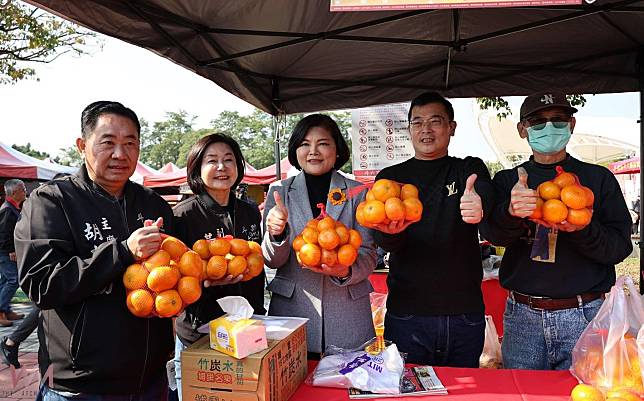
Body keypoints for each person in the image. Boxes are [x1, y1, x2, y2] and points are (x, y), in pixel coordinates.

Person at [15, 101, 175, 399]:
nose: (120, 154)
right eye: (108, 142)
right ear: (81, 145)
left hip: (149, 378)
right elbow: (42, 284)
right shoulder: (52, 201)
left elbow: (175, 272)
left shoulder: (152, 203)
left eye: (130, 143)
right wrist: (123, 251)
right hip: (81, 385)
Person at [479, 92, 633, 370]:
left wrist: (584, 228)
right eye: (538, 121)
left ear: (572, 125)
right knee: (523, 392)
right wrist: (511, 212)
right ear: (522, 129)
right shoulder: (507, 181)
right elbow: (494, 235)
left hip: (585, 314)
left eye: (558, 120)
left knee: (584, 393)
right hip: (522, 315)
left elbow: (620, 248)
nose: (549, 127)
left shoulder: (597, 180)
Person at [372, 92, 494, 367]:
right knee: (407, 391)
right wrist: (391, 231)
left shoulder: (468, 169)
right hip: (407, 315)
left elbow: (484, 192)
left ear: (451, 127)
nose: (426, 129)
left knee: (464, 394)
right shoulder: (390, 179)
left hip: (464, 314)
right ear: (409, 130)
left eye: (435, 121)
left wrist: (479, 203)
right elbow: (386, 242)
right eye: (417, 123)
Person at [263, 114, 377, 356]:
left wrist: (345, 271)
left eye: (323, 143)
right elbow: (272, 261)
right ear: (295, 150)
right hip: (292, 315)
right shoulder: (278, 192)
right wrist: (276, 233)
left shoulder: (357, 193)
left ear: (337, 149)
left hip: (348, 315)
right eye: (305, 144)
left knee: (346, 388)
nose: (313, 151)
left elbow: (368, 254)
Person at [172, 133, 266, 400]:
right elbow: (173, 276)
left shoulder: (248, 211)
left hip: (247, 329)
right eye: (212, 161)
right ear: (197, 169)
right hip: (200, 333)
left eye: (229, 160)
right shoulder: (184, 215)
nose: (222, 167)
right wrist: (202, 280)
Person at [0, 179, 26, 327]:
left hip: (5, 251)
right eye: (23, 189)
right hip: (5, 252)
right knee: (13, 280)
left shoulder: (11, 207)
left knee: (5, 281)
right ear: (15, 192)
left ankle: (6, 310)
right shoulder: (7, 209)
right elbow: (4, 232)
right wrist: (11, 250)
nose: (25, 192)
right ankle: (1, 311)